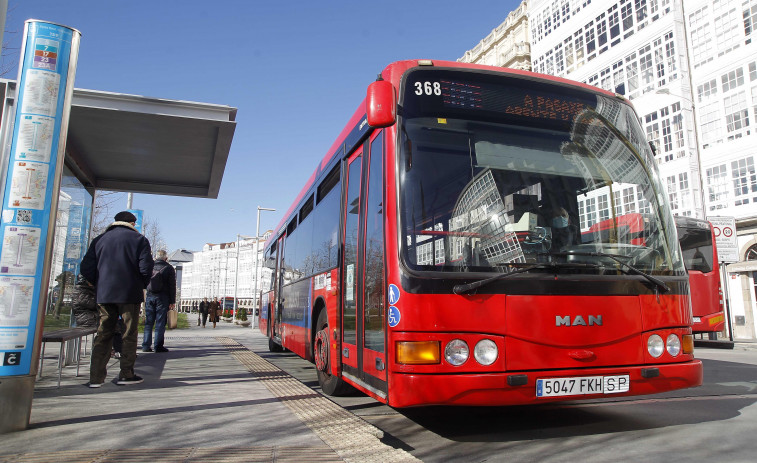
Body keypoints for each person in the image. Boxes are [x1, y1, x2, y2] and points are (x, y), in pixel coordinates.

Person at [81, 211, 153, 388]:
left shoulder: (99, 240)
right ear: (132, 223)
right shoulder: (140, 240)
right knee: (129, 333)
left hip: (104, 294)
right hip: (129, 294)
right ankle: (126, 374)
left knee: (103, 333)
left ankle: (95, 378)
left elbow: (86, 267)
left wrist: (97, 283)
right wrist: (140, 284)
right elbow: (146, 268)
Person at [142, 250, 177, 353]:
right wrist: (172, 301)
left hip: (150, 296)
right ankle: (158, 346)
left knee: (149, 322)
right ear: (165, 258)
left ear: (156, 257)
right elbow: (172, 286)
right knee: (160, 322)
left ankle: (146, 345)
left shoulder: (149, 266)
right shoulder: (169, 268)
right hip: (163, 297)